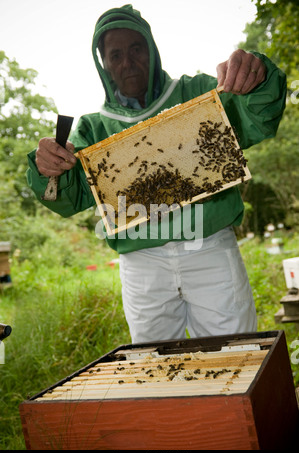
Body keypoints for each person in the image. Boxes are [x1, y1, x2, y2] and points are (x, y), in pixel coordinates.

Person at [27, 5, 287, 343]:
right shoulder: (92, 128)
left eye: (136, 48)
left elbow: (258, 115)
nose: (127, 61)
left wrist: (258, 76)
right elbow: (66, 192)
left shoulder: (200, 93)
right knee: (154, 369)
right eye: (115, 54)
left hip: (210, 248)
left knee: (236, 357)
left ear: (152, 49)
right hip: (141, 263)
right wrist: (46, 165)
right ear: (103, 64)